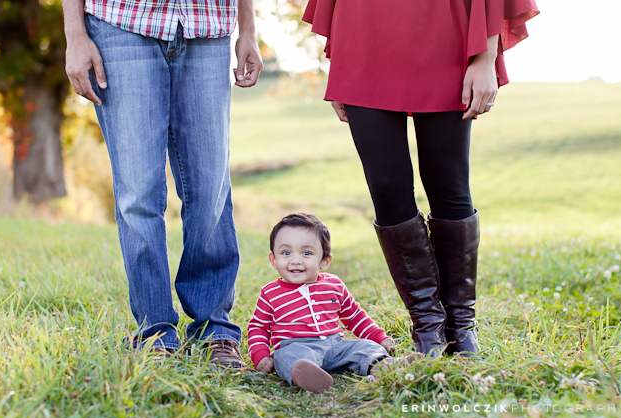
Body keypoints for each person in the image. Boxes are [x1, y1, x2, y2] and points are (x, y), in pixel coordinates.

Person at [302, 0, 539, 357]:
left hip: (446, 33)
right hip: (363, 37)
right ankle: (427, 325)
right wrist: (340, 61)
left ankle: (461, 327)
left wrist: (485, 57)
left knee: (449, 185)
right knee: (386, 189)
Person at [61, 0, 263, 367]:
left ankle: (214, 328)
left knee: (210, 187)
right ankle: (154, 332)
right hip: (120, 21)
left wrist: (247, 28)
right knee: (138, 193)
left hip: (209, 24)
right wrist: (75, 34)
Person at [248, 213, 418, 392]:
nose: (295, 260)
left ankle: (383, 366)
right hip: (297, 346)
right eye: (285, 253)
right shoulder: (270, 293)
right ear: (274, 260)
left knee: (363, 347)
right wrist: (260, 355)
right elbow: (258, 327)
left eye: (306, 253)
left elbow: (354, 316)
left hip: (335, 345)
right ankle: (308, 376)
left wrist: (379, 337)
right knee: (288, 356)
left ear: (324, 261)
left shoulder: (333, 285)